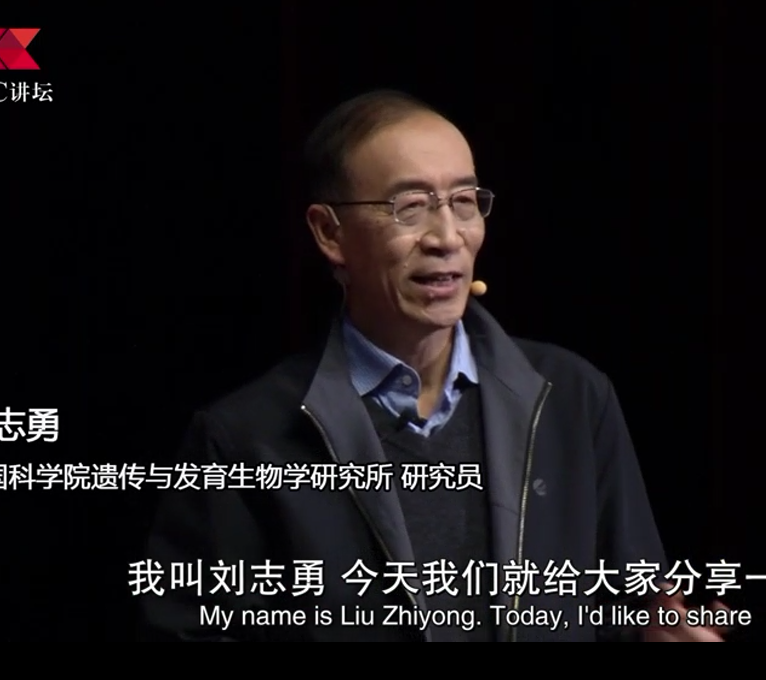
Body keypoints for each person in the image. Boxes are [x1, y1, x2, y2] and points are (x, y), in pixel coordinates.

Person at [138, 89, 727, 641]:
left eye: (464, 202)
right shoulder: (245, 438)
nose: (447, 236)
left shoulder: (571, 395)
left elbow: (632, 603)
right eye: (411, 207)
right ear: (329, 232)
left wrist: (662, 628)